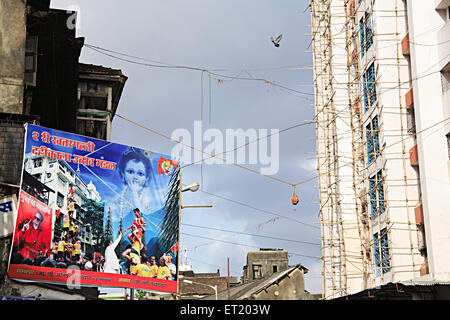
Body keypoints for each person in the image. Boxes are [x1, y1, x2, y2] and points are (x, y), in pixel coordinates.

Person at [117, 147, 154, 215]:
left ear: (147, 178)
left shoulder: (151, 198)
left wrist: (134, 194)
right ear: (123, 173)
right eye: (130, 172)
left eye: (140, 174)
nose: (135, 177)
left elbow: (145, 217)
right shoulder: (118, 197)